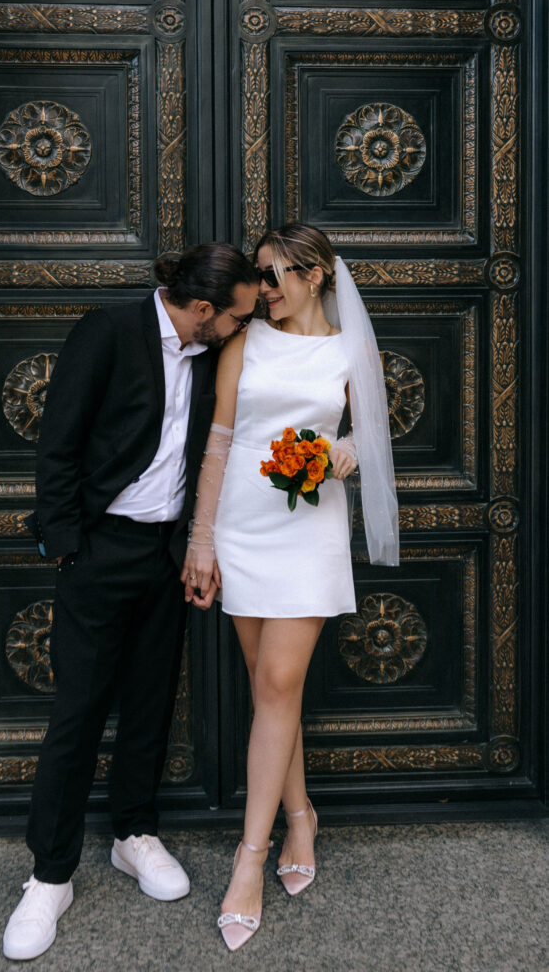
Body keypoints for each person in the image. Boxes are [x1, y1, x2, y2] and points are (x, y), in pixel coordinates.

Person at [3, 244, 259, 962]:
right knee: (78, 710)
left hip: (166, 553)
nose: (243, 326)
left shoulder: (214, 353)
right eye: (237, 315)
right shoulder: (108, 331)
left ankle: (133, 834)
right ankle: (49, 875)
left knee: (150, 701)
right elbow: (58, 442)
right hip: (97, 550)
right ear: (202, 309)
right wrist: (64, 546)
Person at [182, 223, 399, 952]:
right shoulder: (245, 343)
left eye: (275, 276)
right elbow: (217, 442)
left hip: (307, 533)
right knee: (269, 688)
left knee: (276, 682)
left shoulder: (349, 348)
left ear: (316, 276)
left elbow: (371, 436)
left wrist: (344, 448)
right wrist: (202, 540)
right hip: (241, 528)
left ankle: (248, 860)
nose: (263, 290)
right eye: (262, 275)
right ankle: (300, 815)